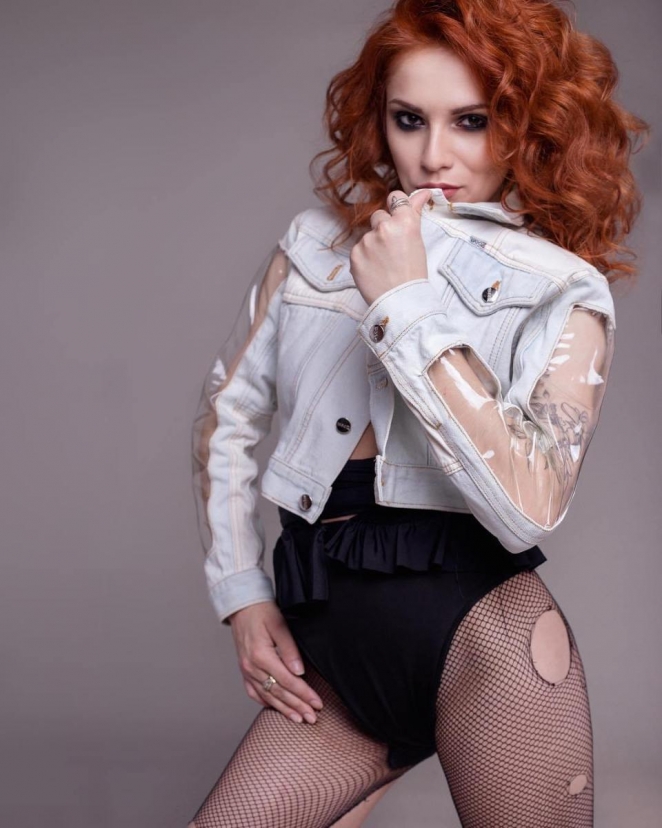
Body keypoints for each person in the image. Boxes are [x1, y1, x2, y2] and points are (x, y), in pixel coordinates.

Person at [188, 0, 648, 825]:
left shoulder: (559, 287)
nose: (434, 155)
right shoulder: (314, 246)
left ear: (527, 128)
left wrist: (405, 306)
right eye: (410, 119)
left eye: (472, 121)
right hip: (331, 651)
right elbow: (227, 416)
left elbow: (530, 505)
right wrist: (242, 592)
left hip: (486, 649)